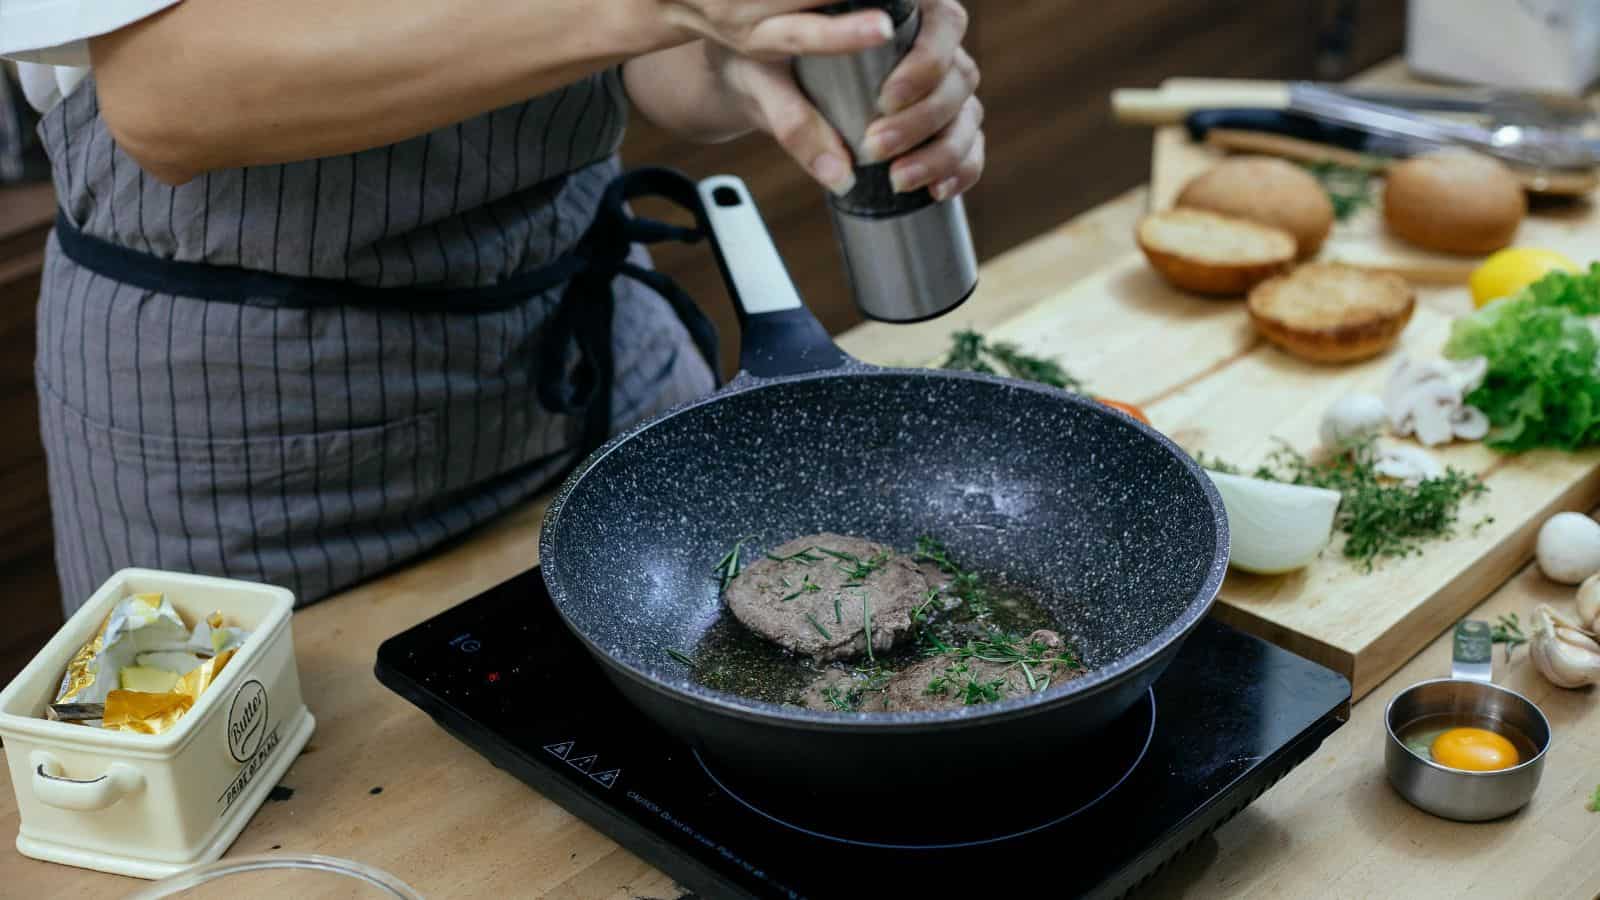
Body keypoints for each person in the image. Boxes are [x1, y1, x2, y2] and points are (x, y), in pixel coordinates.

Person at [0, 0, 985, 612]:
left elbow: (660, 65)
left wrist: (760, 52)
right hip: (252, 440)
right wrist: (657, 3)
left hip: (590, 343)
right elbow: (173, 97)